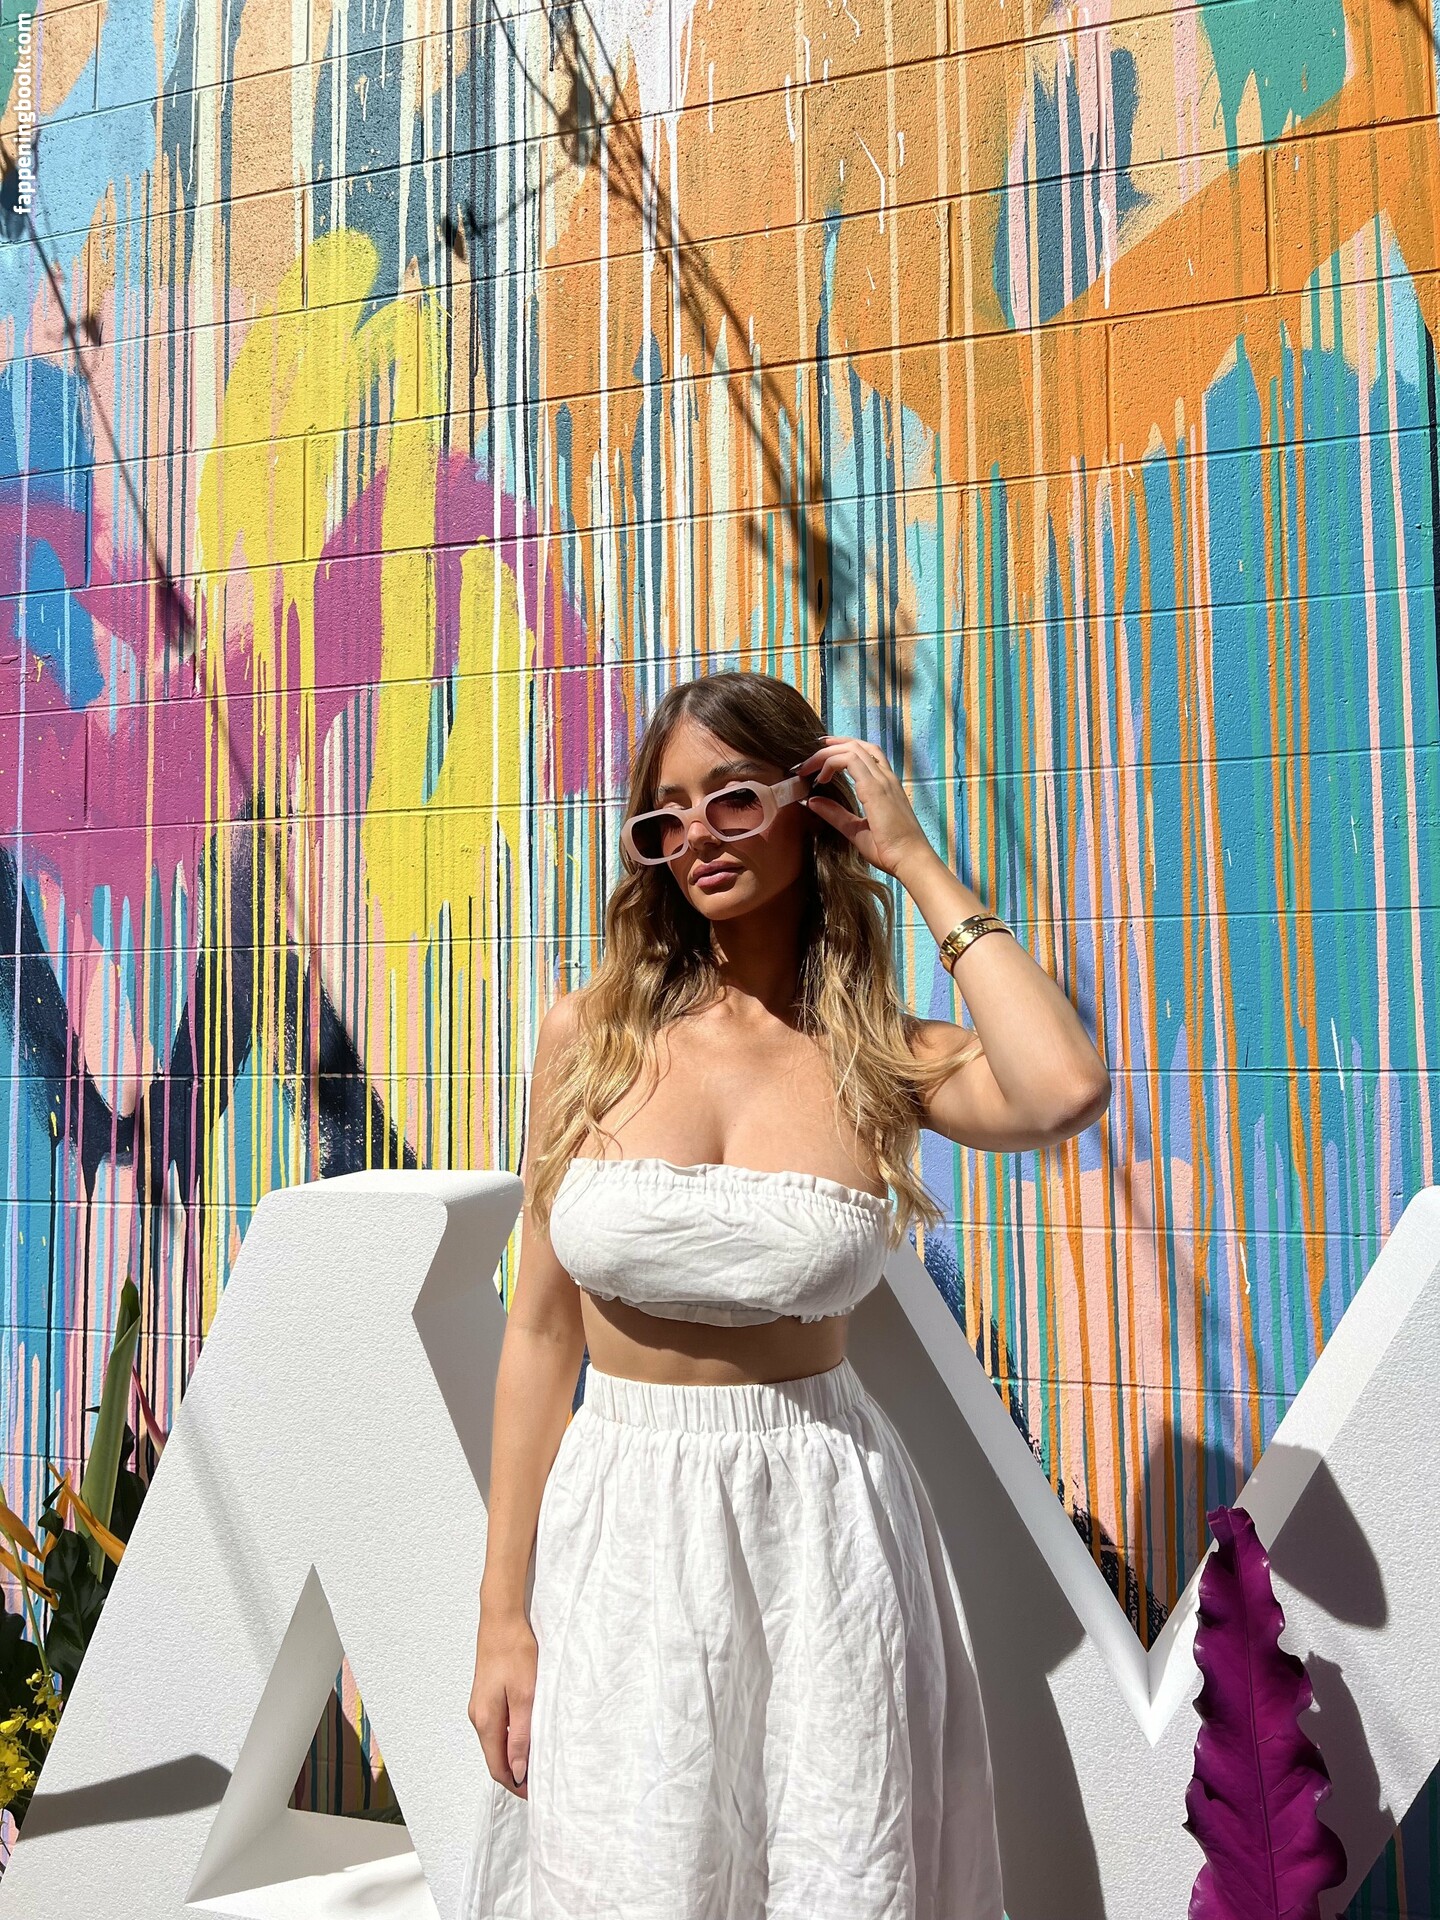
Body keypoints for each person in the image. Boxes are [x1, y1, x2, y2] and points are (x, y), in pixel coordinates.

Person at [462, 670, 1111, 1919]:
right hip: (620, 1521)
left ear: (812, 805)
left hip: (818, 1526)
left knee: (829, 1868)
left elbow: (1063, 1086)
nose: (697, 836)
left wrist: (914, 860)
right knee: (623, 1874)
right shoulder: (588, 1035)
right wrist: (502, 1616)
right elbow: (539, 1334)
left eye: (733, 798)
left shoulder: (881, 1053)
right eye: (665, 816)